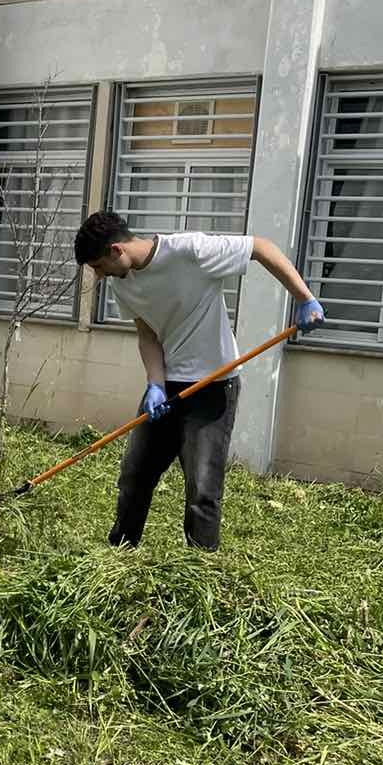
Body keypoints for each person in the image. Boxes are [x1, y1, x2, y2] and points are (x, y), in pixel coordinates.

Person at [72, 211, 324, 551]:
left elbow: (261, 247)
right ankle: (120, 552)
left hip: (213, 386)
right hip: (168, 388)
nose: (99, 276)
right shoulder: (123, 283)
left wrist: (304, 298)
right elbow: (147, 335)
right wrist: (155, 384)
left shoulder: (190, 250)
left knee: (202, 487)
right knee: (134, 475)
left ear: (116, 250)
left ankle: (200, 564)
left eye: (99, 266)